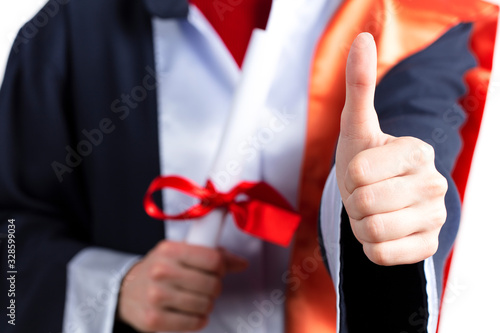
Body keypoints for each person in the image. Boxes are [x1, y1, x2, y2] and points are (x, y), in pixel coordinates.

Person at [0, 0, 497, 332]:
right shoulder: (68, 29)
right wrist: (112, 287)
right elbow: (13, 238)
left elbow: (416, 153)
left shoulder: (404, 19)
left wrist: (387, 202)